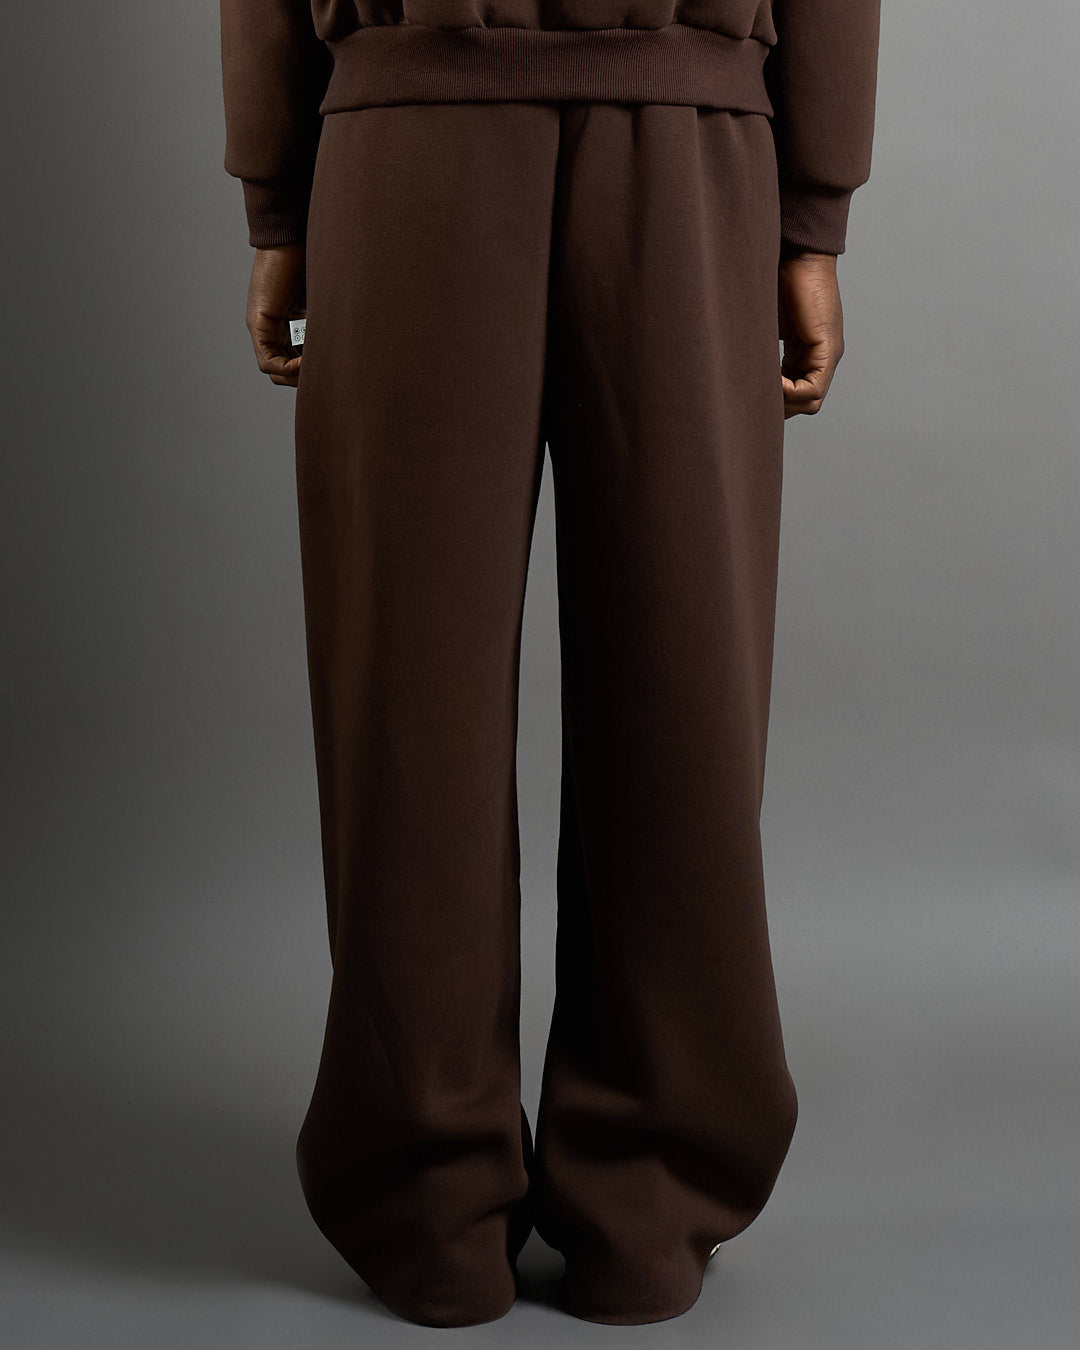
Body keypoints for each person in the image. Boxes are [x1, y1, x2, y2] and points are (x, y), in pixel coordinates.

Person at [219, 0, 880, 1330]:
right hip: (685, 135)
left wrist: (279, 203)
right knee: (679, 674)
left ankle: (429, 1199)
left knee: (409, 692)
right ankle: (651, 1193)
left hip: (407, 131)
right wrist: (811, 217)